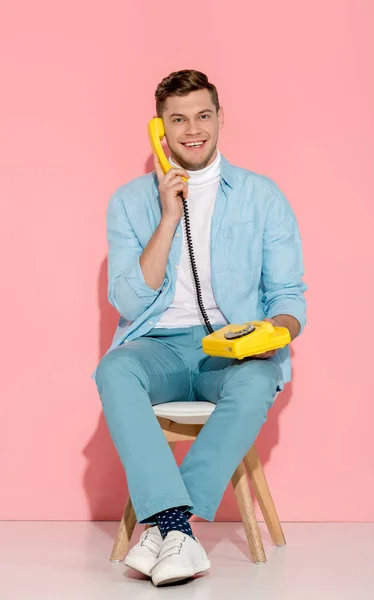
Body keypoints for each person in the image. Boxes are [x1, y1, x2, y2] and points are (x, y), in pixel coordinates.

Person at [94, 69, 307, 586]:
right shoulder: (129, 201)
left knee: (261, 377)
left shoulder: (263, 196)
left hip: (230, 350)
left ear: (219, 119)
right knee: (114, 370)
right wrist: (169, 217)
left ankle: (169, 527)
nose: (193, 129)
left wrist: (271, 332)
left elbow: (289, 297)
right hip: (158, 347)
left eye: (203, 115)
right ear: (159, 129)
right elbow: (125, 298)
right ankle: (179, 529)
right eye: (178, 119)